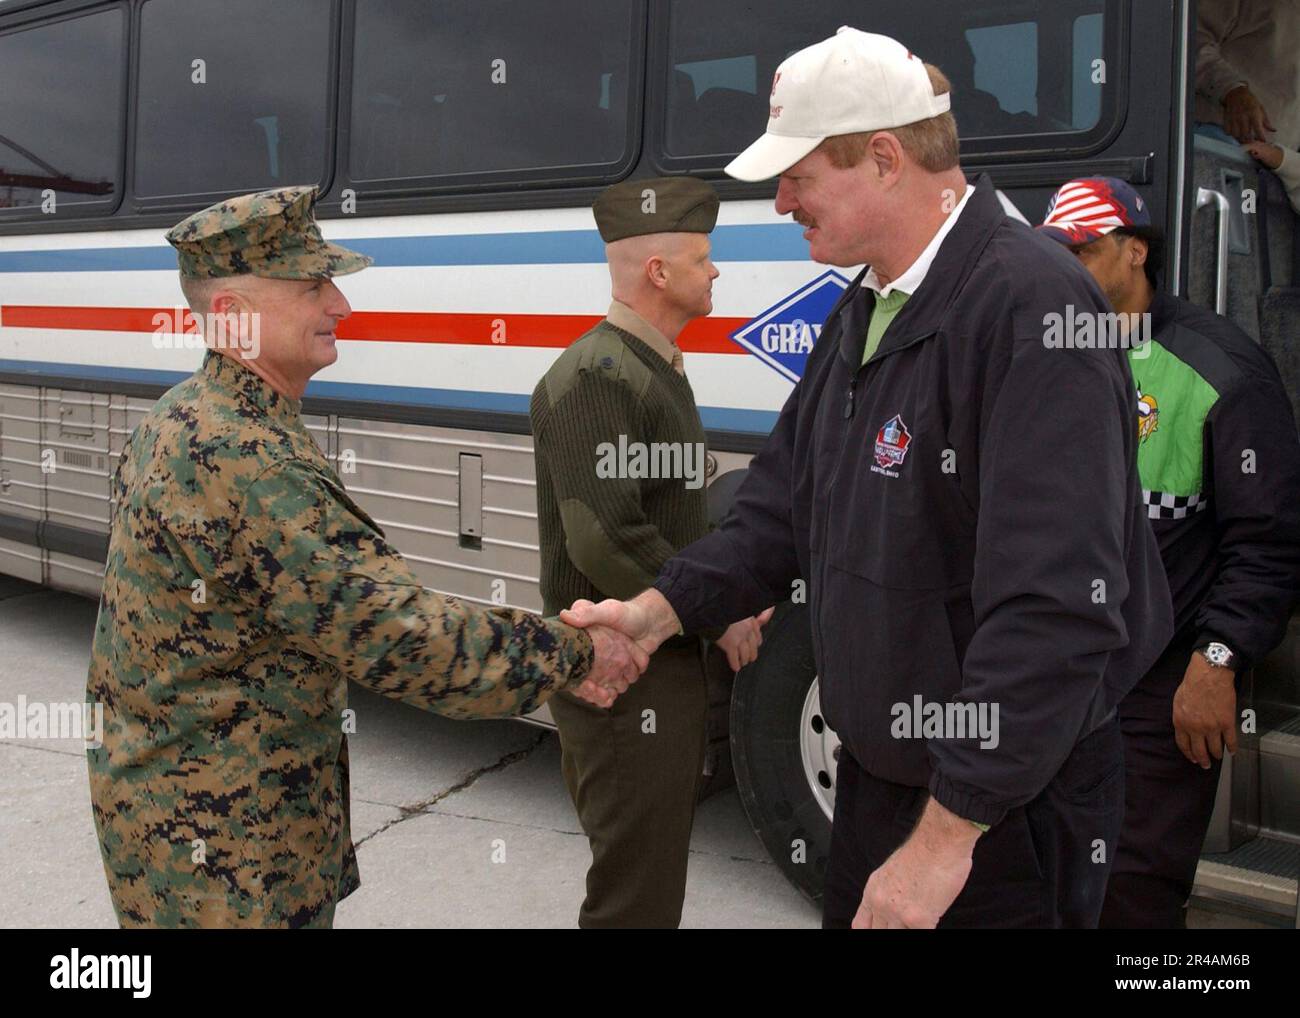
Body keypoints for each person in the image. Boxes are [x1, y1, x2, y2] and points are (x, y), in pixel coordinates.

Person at [563, 27, 1174, 929]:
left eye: (798, 178)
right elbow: (778, 510)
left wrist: (941, 844)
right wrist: (654, 615)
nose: (780, 204)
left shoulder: (1031, 305)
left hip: (998, 816)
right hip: (884, 784)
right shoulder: (870, 301)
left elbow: (1056, 610)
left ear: (885, 158)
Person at [85, 186, 646, 929]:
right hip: (222, 864)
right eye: (312, 285)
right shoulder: (245, 459)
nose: (340, 305)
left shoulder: (186, 415)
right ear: (233, 318)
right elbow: (406, 639)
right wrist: (577, 653)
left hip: (184, 831)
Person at [1037, 176, 1300, 928]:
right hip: (1054, 672)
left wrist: (1218, 660)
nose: (1065, 268)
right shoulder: (1045, 349)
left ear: (1136, 252)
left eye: (1083, 250)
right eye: (1055, 253)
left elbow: (1269, 542)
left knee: (1132, 889)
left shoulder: (1221, 369)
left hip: (1160, 685)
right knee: (1046, 876)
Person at [530, 176, 771, 928]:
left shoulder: (649, 366)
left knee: (652, 878)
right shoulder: (599, 376)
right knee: (635, 896)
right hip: (620, 675)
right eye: (703, 258)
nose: (717, 271)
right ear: (659, 273)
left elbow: (667, 520)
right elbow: (605, 537)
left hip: (654, 665)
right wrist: (715, 614)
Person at [1195, 0, 1300, 212]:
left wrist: (1284, 161)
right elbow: (1188, 40)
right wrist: (1233, 90)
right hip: (1214, 146)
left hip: (1279, 175)